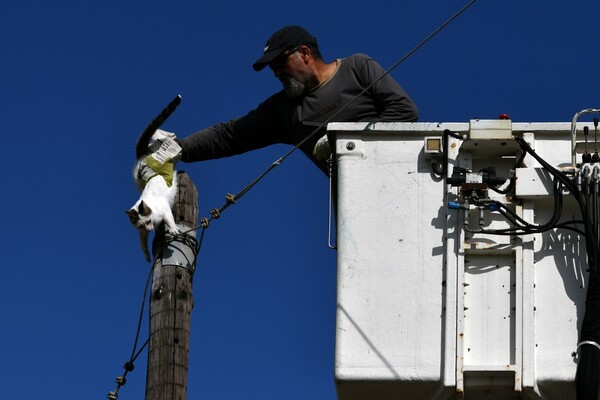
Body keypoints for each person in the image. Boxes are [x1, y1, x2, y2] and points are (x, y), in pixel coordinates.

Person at [179, 25, 419, 173]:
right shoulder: (284, 111)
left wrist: (342, 141)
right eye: (273, 67)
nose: (277, 72)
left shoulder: (357, 67)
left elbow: (404, 111)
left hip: (403, 179)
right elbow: (230, 135)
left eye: (280, 62)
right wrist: (179, 149)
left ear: (304, 53)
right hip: (355, 206)